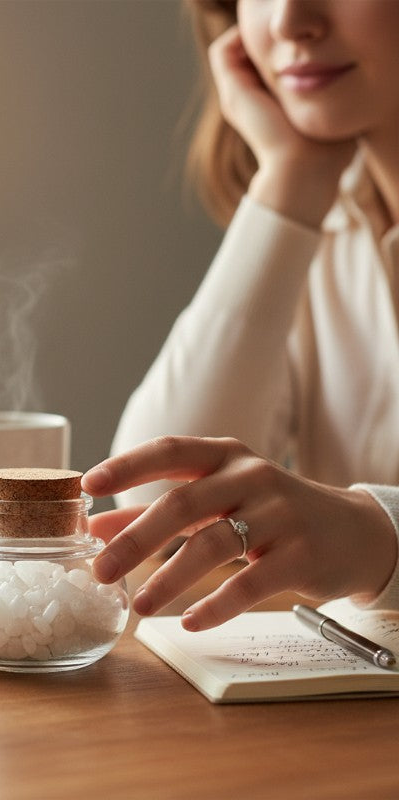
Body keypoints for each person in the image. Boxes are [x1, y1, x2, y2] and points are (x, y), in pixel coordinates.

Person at [81, 0, 399, 632]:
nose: (287, 20)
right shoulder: (330, 228)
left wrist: (377, 534)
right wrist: (290, 183)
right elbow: (156, 500)